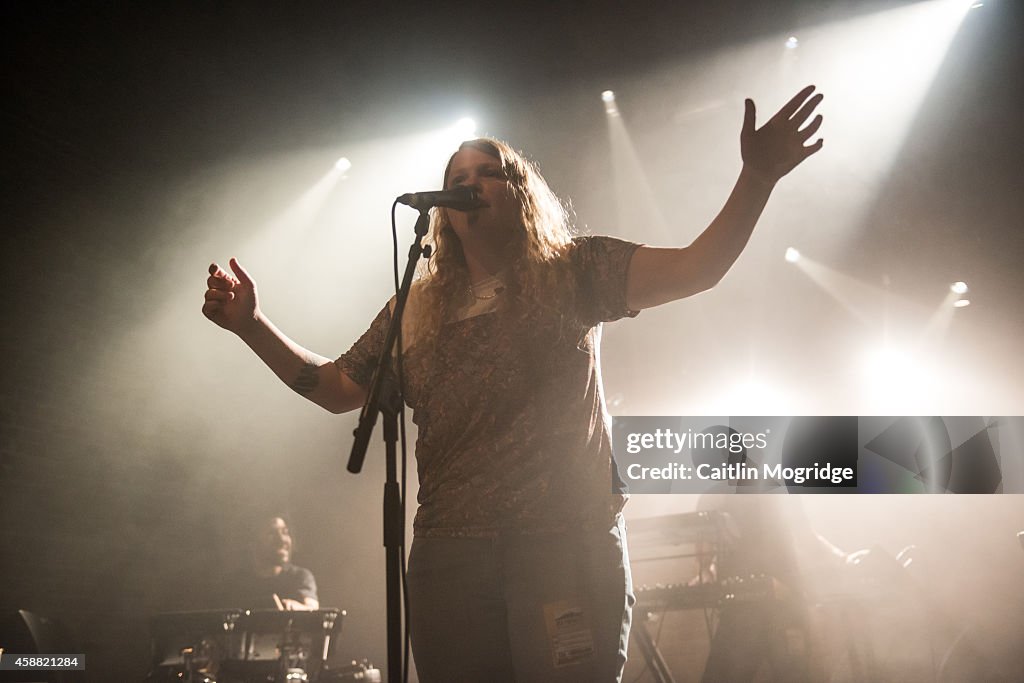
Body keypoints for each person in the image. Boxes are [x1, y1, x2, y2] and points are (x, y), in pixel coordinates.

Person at [202, 86, 824, 682]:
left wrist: (757, 178)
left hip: (564, 546)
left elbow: (697, 267)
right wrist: (252, 326)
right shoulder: (414, 310)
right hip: (450, 558)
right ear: (441, 212)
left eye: (488, 171)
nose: (469, 184)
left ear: (521, 192)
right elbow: (338, 388)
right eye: (456, 180)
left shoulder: (577, 269)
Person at [227, 514, 319, 611]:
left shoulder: (300, 577)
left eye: (285, 532)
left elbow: (311, 607)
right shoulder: (235, 584)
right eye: (272, 533)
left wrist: (293, 607)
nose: (282, 540)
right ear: (252, 543)